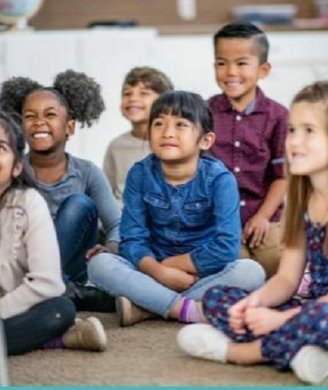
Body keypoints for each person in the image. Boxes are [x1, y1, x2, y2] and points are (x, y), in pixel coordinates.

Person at [177, 63, 328, 385]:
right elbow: (288, 279)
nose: (294, 141)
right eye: (292, 130)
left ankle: (243, 352)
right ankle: (311, 351)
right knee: (218, 297)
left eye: (309, 131)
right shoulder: (302, 199)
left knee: (322, 318)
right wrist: (256, 303)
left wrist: (277, 321)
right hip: (314, 309)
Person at [87, 90, 265, 327]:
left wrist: (170, 267)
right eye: (159, 123)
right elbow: (131, 239)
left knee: (251, 272)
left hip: (201, 271)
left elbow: (226, 248)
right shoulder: (140, 174)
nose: (167, 132)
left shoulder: (220, 179)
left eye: (181, 125)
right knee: (99, 264)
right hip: (149, 267)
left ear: (205, 140)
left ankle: (146, 307)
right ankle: (185, 309)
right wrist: (158, 272)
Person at [0, 70, 120, 312]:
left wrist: (111, 247)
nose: (39, 121)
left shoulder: (87, 172)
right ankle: (70, 294)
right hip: (22, 264)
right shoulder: (12, 169)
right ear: (20, 126)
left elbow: (117, 224)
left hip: (72, 263)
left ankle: (56, 287)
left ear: (70, 127)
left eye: (50, 115)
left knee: (78, 204)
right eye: (29, 116)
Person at [0, 111, 107, 355]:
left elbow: (47, 283)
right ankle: (52, 340)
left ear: (17, 167)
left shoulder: (28, 203)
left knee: (60, 310)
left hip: (17, 307)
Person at [208, 23, 289, 278]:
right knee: (235, 267)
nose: (231, 72)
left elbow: (282, 176)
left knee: (278, 263)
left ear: (263, 69)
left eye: (242, 63)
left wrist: (263, 217)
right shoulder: (204, 112)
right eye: (222, 63)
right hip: (219, 220)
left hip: (265, 216)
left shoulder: (278, 116)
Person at [103, 66, 173, 207]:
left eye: (144, 93)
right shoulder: (116, 146)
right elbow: (106, 194)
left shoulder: (173, 144)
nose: (133, 99)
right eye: (127, 94)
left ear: (165, 102)